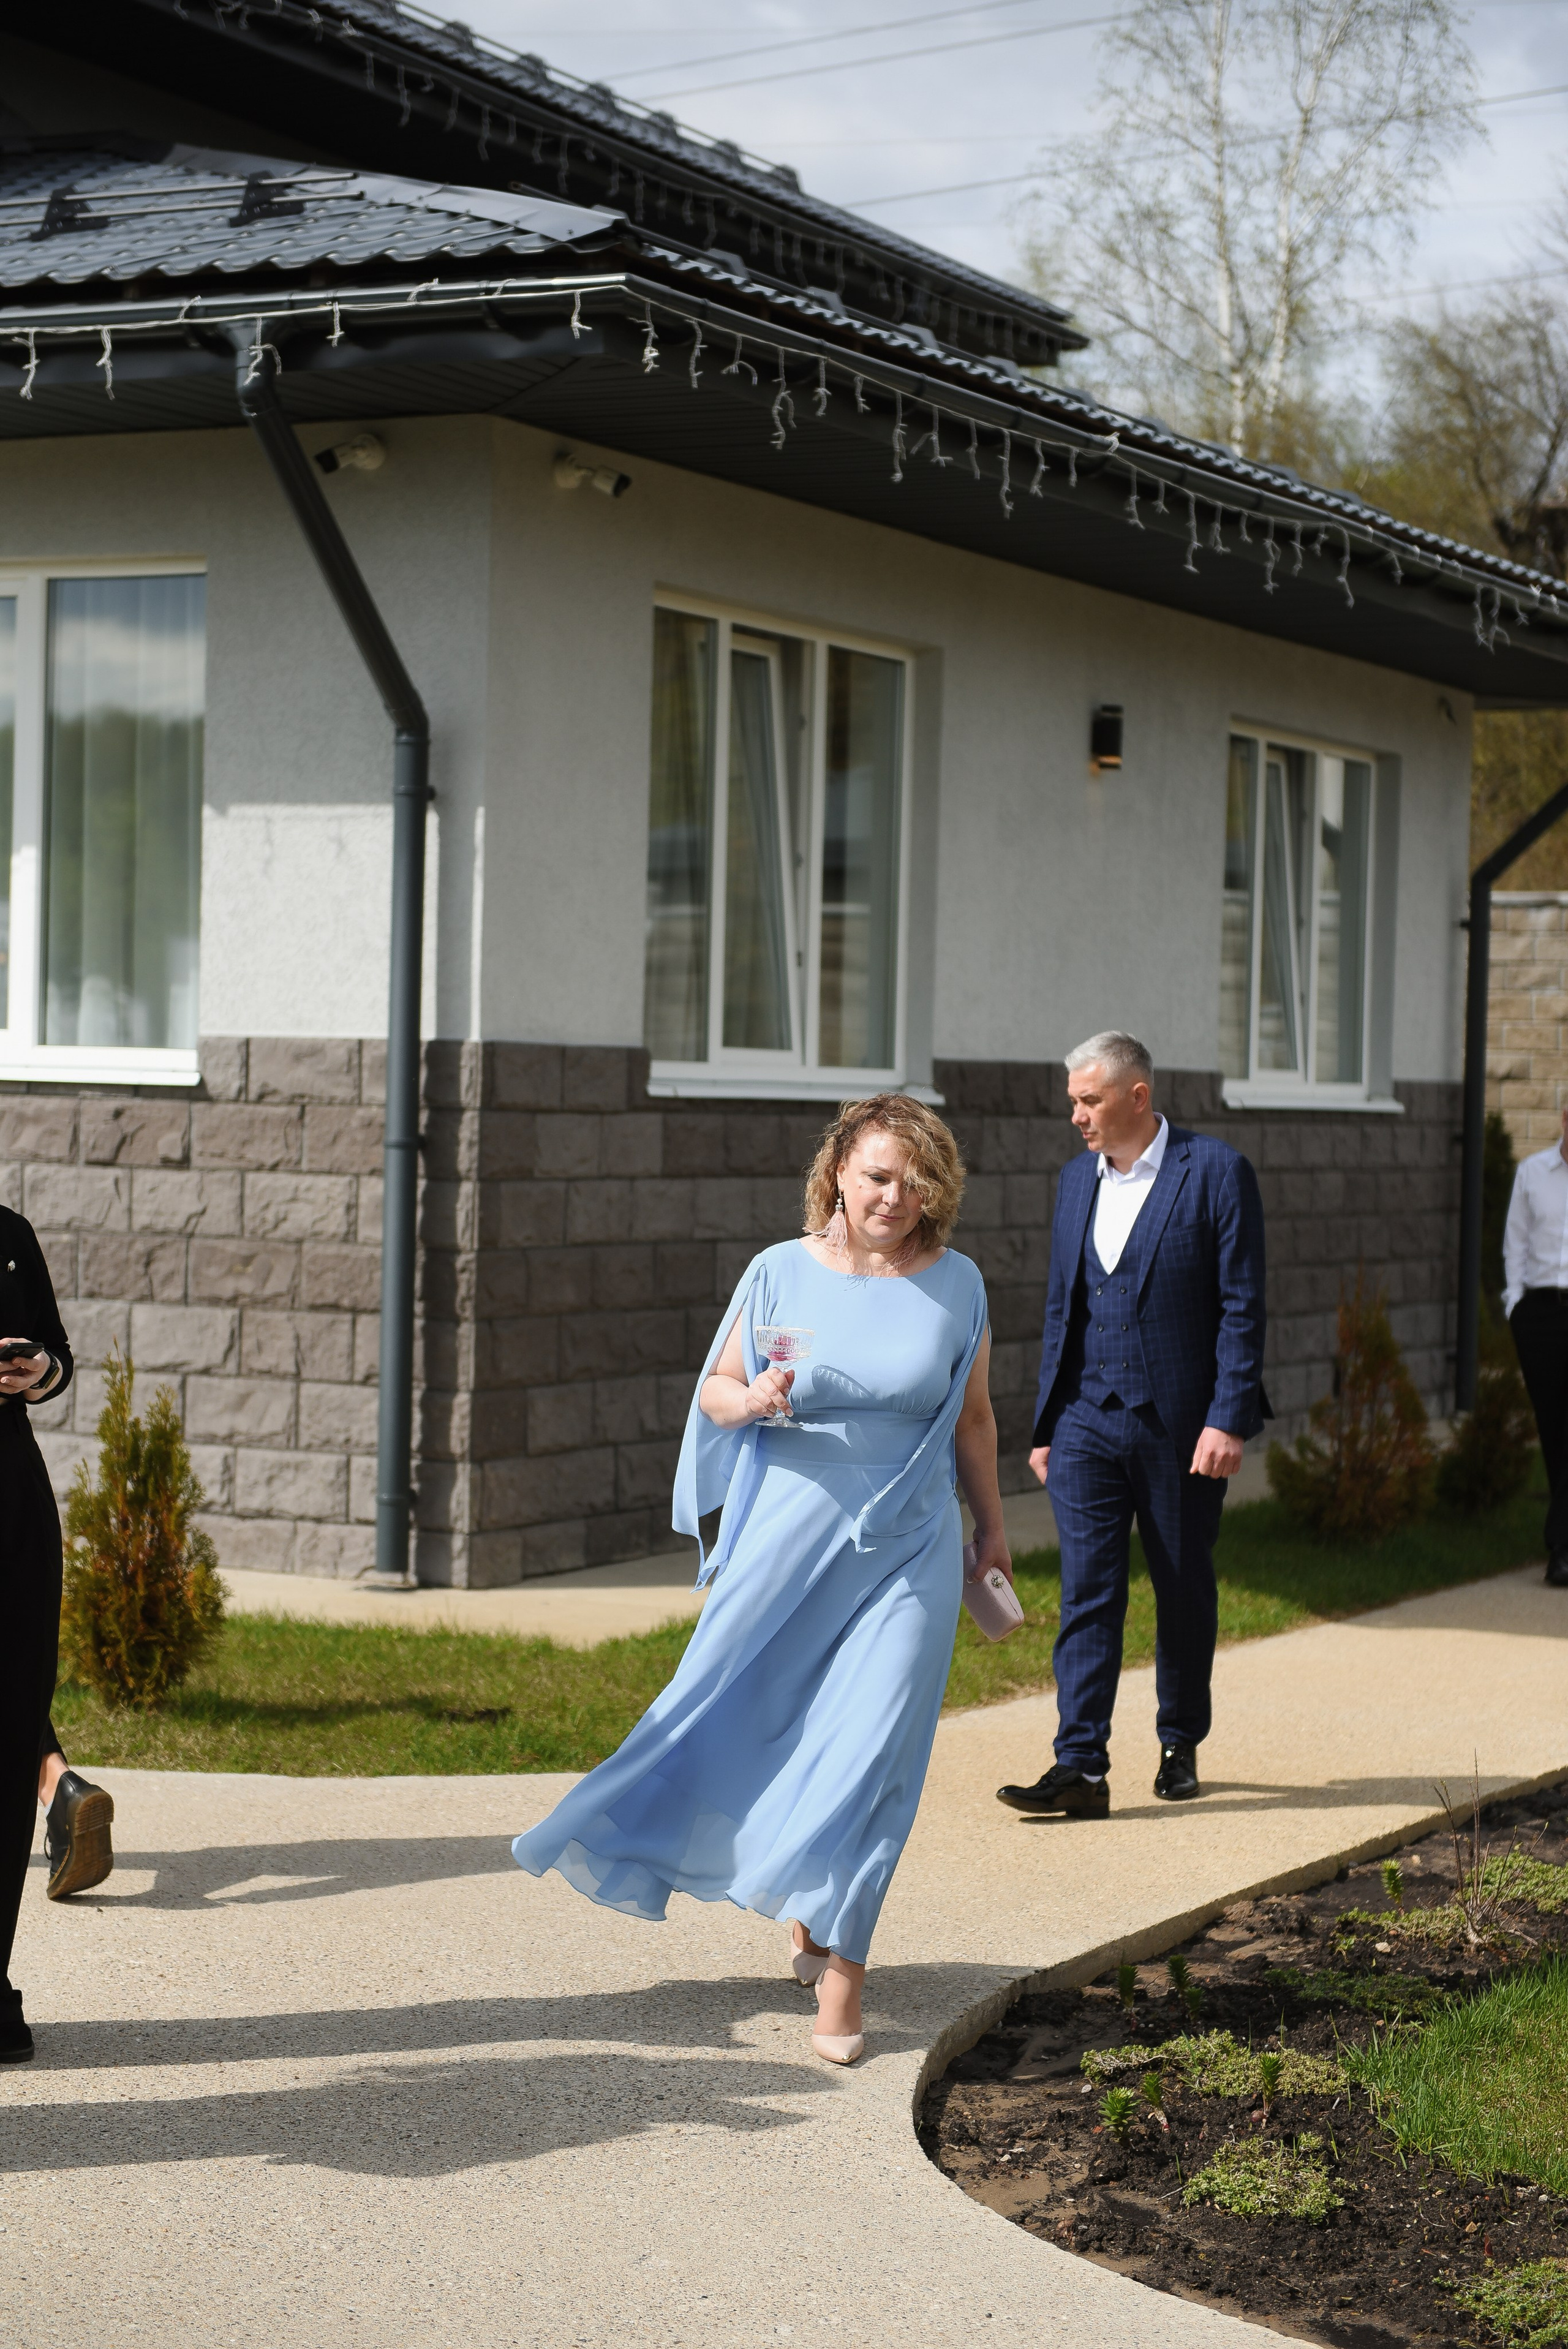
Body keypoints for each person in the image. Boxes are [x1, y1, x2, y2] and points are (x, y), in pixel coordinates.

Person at [514, 1095, 1009, 2065]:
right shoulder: (778, 1271)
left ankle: (844, 1970)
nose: (894, 1196)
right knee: (726, 1711)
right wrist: (753, 1399)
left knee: (878, 1751)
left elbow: (976, 1417)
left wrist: (989, 1530)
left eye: (915, 1180)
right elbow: (716, 1387)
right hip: (787, 1531)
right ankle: (787, 1892)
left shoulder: (960, 1283)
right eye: (876, 1174)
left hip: (908, 1541)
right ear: (837, 1175)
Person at [996, 1033, 1267, 1822]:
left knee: (1182, 1583)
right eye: (1073, 1100)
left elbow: (1242, 1307)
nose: (1075, 1115)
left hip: (1181, 1424)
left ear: (1137, 1097)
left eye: (1088, 1100)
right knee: (1087, 1590)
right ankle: (1079, 1764)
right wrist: (1047, 1425)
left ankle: (1180, 1737)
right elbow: (1064, 1309)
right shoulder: (1074, 1180)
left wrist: (1229, 1416)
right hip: (1085, 1419)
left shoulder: (1215, 1172)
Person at [1, 1203, 115, 2065]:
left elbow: (59, 1350)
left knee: (9, 1747)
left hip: (12, 1513)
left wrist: (41, 1369)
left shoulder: (9, 1232)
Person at [1502, 1103, 1568, 1588]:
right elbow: (1515, 1244)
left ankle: (1560, 1549)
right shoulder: (1533, 1173)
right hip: (1539, 1315)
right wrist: (1515, 1307)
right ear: (1565, 1117)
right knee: (1553, 1427)